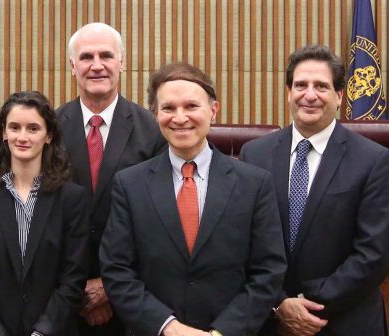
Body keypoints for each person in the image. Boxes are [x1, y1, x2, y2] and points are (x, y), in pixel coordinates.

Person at [100, 63, 287, 336]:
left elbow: (269, 271)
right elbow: (117, 271)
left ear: (213, 110)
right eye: (168, 108)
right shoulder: (129, 184)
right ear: (155, 114)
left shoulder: (254, 183)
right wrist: (169, 328)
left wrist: (223, 331)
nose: (180, 117)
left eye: (191, 106)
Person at [239, 45, 389, 336]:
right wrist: (279, 303)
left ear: (339, 95)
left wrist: (309, 305)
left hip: (344, 321)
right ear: (288, 92)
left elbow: (375, 252)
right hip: (270, 322)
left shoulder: (374, 160)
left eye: (321, 86)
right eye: (300, 85)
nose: (309, 95)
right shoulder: (254, 155)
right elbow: (242, 241)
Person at [56, 22, 168, 336]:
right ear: (72, 65)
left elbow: (157, 222)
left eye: (106, 55)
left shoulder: (154, 131)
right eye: (86, 56)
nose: (96, 65)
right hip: (60, 300)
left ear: (122, 62)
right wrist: (74, 285)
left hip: (133, 299)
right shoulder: (48, 129)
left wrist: (110, 284)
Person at [0, 91, 89, 336]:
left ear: (48, 135)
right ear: (3, 133)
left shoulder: (72, 199)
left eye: (33, 128)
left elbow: (73, 278)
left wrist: (43, 331)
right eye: (14, 127)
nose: (22, 137)